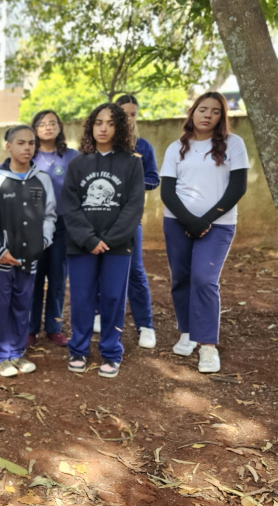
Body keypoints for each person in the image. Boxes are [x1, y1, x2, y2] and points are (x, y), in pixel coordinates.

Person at [160, 91, 249, 373]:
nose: (207, 115)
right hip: (177, 222)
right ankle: (187, 331)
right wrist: (188, 220)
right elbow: (167, 190)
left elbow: (238, 187)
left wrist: (205, 220)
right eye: (202, 109)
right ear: (193, 112)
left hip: (218, 224)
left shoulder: (234, 144)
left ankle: (208, 346)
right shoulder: (177, 147)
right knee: (182, 278)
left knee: (204, 278)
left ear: (222, 116)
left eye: (215, 111)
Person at [62, 103, 145, 378]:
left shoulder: (133, 162)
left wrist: (109, 240)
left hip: (117, 247)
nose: (103, 128)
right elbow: (70, 206)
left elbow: (134, 206)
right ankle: (78, 349)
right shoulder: (77, 164)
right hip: (81, 246)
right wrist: (89, 239)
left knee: (112, 297)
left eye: (110, 123)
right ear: (91, 126)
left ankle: (111, 351)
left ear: (119, 127)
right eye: (98, 122)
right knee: (82, 298)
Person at [0, 125, 56, 377]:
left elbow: (50, 216)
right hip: (3, 261)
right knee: (0, 306)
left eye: (31, 143)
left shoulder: (42, 179)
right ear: (8, 147)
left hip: (30, 259)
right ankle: (0, 355)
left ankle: (17, 353)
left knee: (23, 305)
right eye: (20, 143)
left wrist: (42, 241)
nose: (27, 148)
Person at [110, 94, 160, 349]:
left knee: (135, 271)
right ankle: (101, 316)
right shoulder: (103, 144)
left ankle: (145, 326)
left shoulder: (144, 147)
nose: (128, 119)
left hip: (131, 220)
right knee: (102, 269)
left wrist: (134, 178)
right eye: (124, 114)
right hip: (101, 220)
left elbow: (154, 179)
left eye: (133, 114)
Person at [28, 109, 79, 348]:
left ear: (59, 127)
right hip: (33, 225)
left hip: (62, 225)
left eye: (52, 123)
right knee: (34, 277)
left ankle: (54, 327)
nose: (48, 127)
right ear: (35, 129)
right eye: (42, 123)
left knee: (58, 277)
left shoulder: (72, 157)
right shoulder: (29, 156)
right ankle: (30, 328)